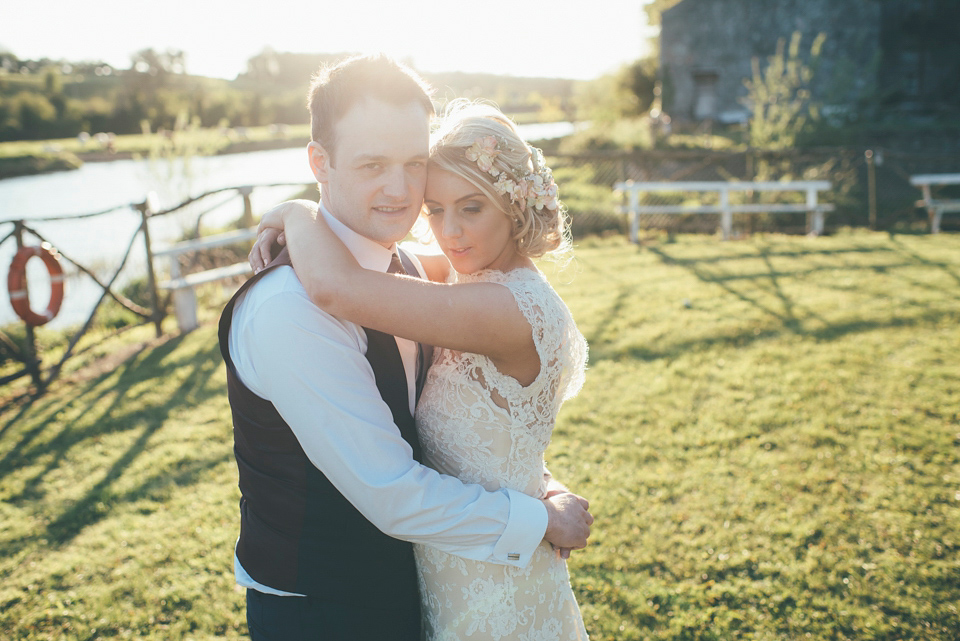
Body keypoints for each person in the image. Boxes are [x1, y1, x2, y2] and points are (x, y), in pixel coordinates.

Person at [219, 55, 592, 641]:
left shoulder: (419, 275)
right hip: (324, 611)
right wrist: (538, 513)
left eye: (413, 164)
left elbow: (485, 425)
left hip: (444, 586)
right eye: (372, 165)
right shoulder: (289, 307)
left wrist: (298, 211)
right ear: (320, 163)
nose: (400, 191)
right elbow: (392, 491)